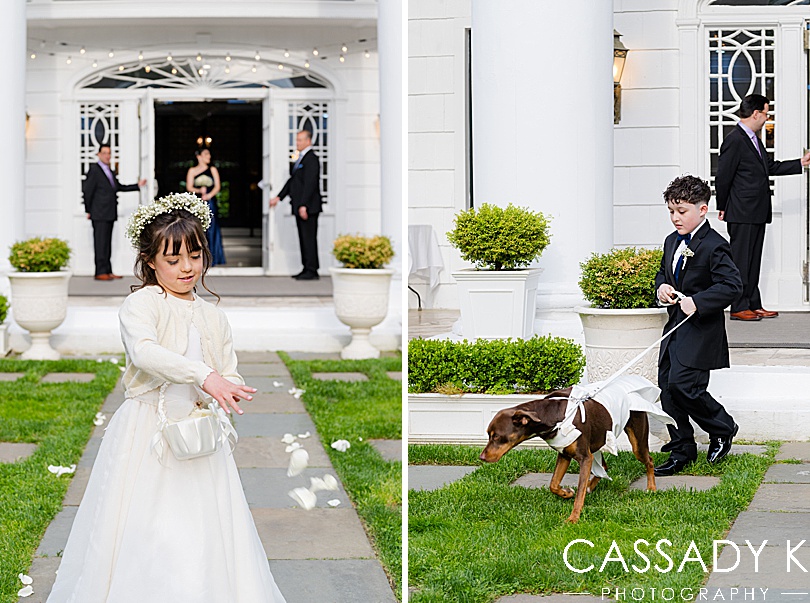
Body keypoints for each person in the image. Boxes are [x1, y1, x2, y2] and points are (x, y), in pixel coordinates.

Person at [47, 193, 286, 602]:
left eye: (194, 255)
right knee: (146, 523)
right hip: (147, 432)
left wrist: (227, 386)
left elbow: (226, 366)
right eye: (173, 260)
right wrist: (205, 376)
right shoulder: (141, 305)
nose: (187, 268)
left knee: (205, 524)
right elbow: (146, 352)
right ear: (150, 260)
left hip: (198, 434)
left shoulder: (213, 314)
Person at [654, 175, 743, 477]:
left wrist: (699, 301)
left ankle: (722, 427)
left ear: (702, 210)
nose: (675, 218)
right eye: (671, 211)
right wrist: (662, 287)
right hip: (675, 329)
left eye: (682, 211)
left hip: (701, 331)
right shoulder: (670, 241)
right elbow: (663, 274)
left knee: (685, 387)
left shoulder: (715, 245)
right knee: (667, 389)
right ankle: (682, 449)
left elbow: (732, 286)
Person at [715, 93, 810, 321]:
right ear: (756, 113)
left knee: (753, 261)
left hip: (756, 210)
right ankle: (738, 307)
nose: (767, 118)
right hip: (740, 211)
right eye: (766, 113)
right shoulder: (734, 139)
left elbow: (768, 167)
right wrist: (722, 205)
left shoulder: (753, 139)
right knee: (740, 261)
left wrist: (800, 163)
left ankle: (753, 303)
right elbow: (723, 176)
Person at [82, 143, 147, 280]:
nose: (107, 156)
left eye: (109, 153)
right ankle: (100, 272)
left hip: (110, 212)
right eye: (104, 153)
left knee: (107, 243)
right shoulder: (94, 170)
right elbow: (87, 191)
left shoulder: (110, 171)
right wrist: (89, 210)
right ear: (99, 155)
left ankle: (107, 270)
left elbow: (118, 187)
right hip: (98, 213)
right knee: (100, 242)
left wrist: (137, 186)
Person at [270, 130, 323, 280]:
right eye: (297, 140)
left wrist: (303, 205)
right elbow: (293, 181)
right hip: (301, 205)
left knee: (309, 238)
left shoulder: (311, 159)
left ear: (308, 141)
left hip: (308, 207)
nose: (297, 143)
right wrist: (279, 197)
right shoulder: (300, 158)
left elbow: (310, 184)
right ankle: (307, 267)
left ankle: (311, 270)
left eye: (300, 140)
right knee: (303, 238)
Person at [186, 148, 226, 266]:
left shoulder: (212, 169)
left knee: (212, 227)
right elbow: (189, 187)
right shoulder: (192, 170)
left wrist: (209, 195)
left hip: (210, 201)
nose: (209, 156)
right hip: (197, 201)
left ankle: (213, 257)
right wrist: (199, 190)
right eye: (206, 154)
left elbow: (217, 186)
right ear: (199, 156)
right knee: (198, 227)